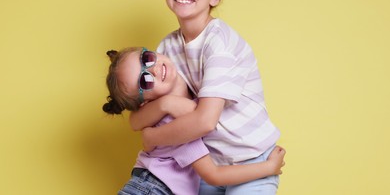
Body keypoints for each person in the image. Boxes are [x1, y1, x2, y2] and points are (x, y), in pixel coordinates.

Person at [131, 0, 282, 194]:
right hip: (207, 165)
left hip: (252, 160)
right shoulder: (167, 47)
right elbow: (137, 121)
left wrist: (153, 138)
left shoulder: (219, 43)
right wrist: (166, 104)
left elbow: (204, 121)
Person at [103, 47, 285, 195]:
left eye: (147, 58)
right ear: (146, 103)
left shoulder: (188, 76)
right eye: (145, 80)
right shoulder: (177, 126)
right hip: (154, 188)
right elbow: (213, 175)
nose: (154, 69)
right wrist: (269, 167)